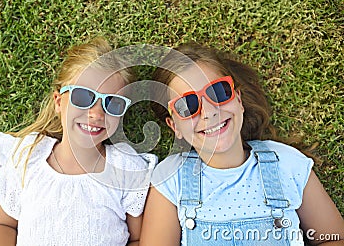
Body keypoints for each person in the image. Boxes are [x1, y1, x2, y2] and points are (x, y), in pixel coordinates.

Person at [140, 42, 344, 245]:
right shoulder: (171, 178)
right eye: (187, 105)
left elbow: (335, 238)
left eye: (218, 92)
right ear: (174, 125)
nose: (209, 112)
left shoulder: (287, 163)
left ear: (238, 98)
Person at [0, 37, 156, 246]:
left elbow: (136, 238)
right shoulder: (29, 156)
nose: (96, 113)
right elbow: (3, 225)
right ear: (58, 102)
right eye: (83, 97)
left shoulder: (124, 168)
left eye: (113, 103)